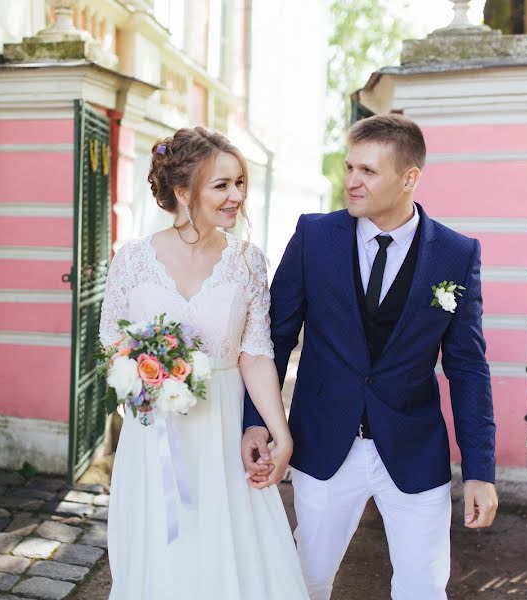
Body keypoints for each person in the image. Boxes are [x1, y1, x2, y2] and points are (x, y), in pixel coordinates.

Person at [242, 113, 499, 600]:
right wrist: (257, 421)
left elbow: (467, 368)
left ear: (409, 179)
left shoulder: (455, 254)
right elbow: (273, 339)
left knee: (423, 587)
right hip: (324, 442)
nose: (352, 182)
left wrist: (481, 470)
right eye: (350, 167)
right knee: (306, 580)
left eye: (368, 171)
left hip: (414, 448)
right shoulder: (315, 237)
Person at [99, 127, 308, 599]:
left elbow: (255, 355)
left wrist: (282, 433)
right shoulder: (131, 260)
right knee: (161, 550)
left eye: (240, 184)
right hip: (156, 431)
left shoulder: (249, 262)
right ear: (182, 192)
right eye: (222, 185)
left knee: (230, 548)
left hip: (222, 426)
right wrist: (145, 375)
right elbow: (112, 341)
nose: (236, 196)